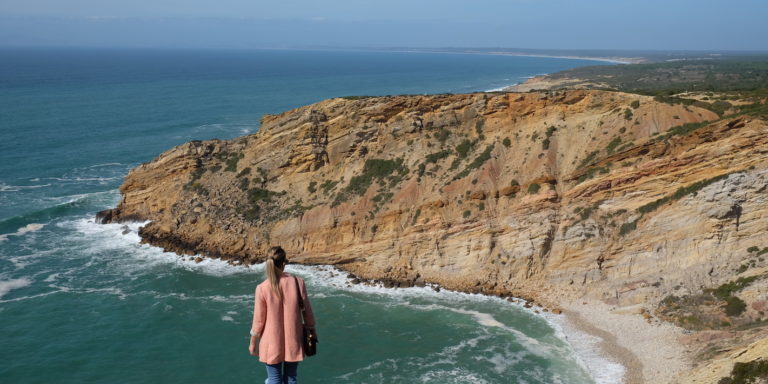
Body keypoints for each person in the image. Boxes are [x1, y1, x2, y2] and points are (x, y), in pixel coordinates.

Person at [249, 246, 316, 384]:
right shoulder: (298, 283)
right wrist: (311, 329)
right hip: (294, 339)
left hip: (271, 342)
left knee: (273, 379)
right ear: (284, 263)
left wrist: (253, 341)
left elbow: (259, 320)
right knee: (291, 378)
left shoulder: (262, 288)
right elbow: (307, 312)